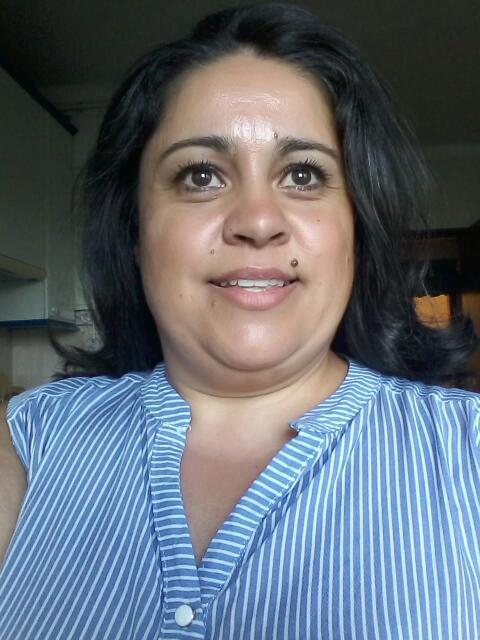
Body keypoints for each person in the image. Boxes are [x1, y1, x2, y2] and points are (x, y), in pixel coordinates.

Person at [0, 3, 479, 639]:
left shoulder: (468, 450)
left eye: (303, 174)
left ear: (357, 226)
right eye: (200, 175)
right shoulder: (31, 440)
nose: (257, 220)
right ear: (136, 231)